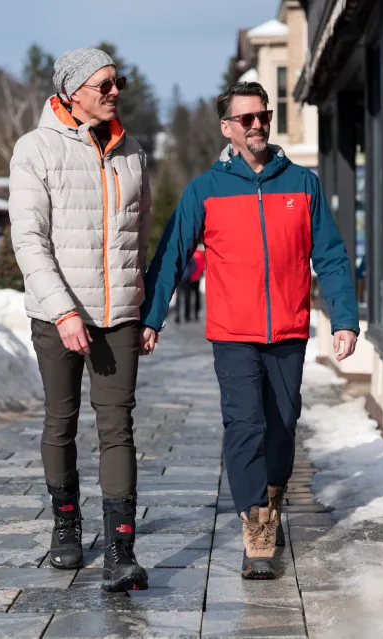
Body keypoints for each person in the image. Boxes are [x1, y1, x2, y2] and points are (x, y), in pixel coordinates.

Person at [140, 82, 359, 580]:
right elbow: (171, 255)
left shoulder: (302, 184)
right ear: (227, 129)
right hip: (232, 332)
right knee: (245, 425)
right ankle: (256, 526)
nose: (257, 124)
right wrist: (151, 318)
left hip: (287, 329)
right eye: (247, 119)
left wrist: (344, 318)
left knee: (282, 424)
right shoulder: (205, 190)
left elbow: (330, 255)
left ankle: (273, 501)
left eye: (264, 115)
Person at [8, 47, 151, 592]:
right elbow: (29, 239)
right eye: (103, 84)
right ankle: (66, 523)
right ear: (71, 91)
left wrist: (145, 307)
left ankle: (121, 548)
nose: (115, 91)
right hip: (57, 316)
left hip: (118, 317)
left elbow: (138, 235)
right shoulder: (35, 149)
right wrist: (64, 310)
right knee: (60, 420)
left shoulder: (132, 151)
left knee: (118, 427)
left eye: (118, 81)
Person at [175, 244, 205, 323]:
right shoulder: (178, 256)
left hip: (189, 279)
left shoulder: (192, 255)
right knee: (179, 298)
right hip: (180, 279)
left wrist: (189, 274)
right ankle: (178, 315)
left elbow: (196, 265)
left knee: (188, 297)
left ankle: (189, 315)